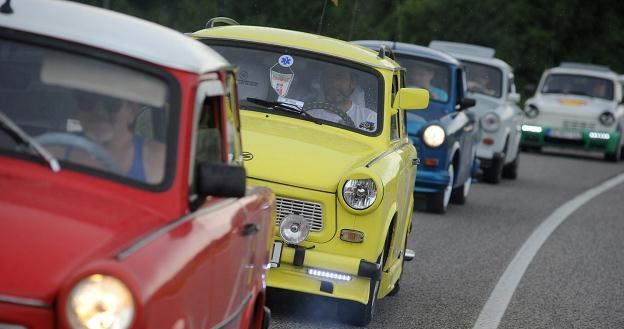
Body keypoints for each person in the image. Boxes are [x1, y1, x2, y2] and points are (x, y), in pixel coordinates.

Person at [71, 91, 165, 183]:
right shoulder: (59, 150)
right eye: (86, 101)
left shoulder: (158, 159)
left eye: (111, 103)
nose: (99, 111)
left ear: (133, 109)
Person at [307, 67, 377, 131]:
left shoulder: (369, 118)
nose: (334, 83)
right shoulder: (309, 115)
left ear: (352, 83)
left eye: (340, 77)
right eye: (329, 77)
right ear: (323, 82)